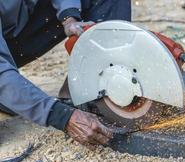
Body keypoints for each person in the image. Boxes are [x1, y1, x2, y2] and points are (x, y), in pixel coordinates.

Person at [0, 0, 131, 149]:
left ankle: (80, 91)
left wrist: (69, 17)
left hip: (16, 27)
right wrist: (61, 116)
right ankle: (11, 96)